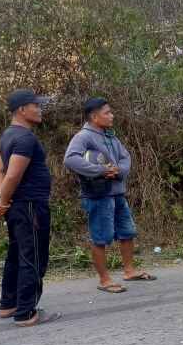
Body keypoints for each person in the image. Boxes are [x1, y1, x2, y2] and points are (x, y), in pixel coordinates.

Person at [64, 98, 156, 294]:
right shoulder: (83, 137)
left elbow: (125, 157)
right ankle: (104, 280)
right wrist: (100, 170)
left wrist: (118, 171)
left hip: (117, 193)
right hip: (98, 196)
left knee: (127, 232)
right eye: (107, 113)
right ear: (94, 116)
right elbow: (71, 159)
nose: (111, 115)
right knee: (101, 237)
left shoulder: (110, 136)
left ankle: (129, 271)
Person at [0, 89, 61, 327]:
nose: (40, 109)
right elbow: (13, 176)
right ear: (22, 109)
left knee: (16, 255)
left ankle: (8, 305)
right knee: (34, 257)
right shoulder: (25, 138)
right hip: (30, 207)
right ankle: (27, 313)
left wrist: (1, 199)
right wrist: (4, 201)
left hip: (19, 206)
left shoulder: (8, 135)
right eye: (36, 105)